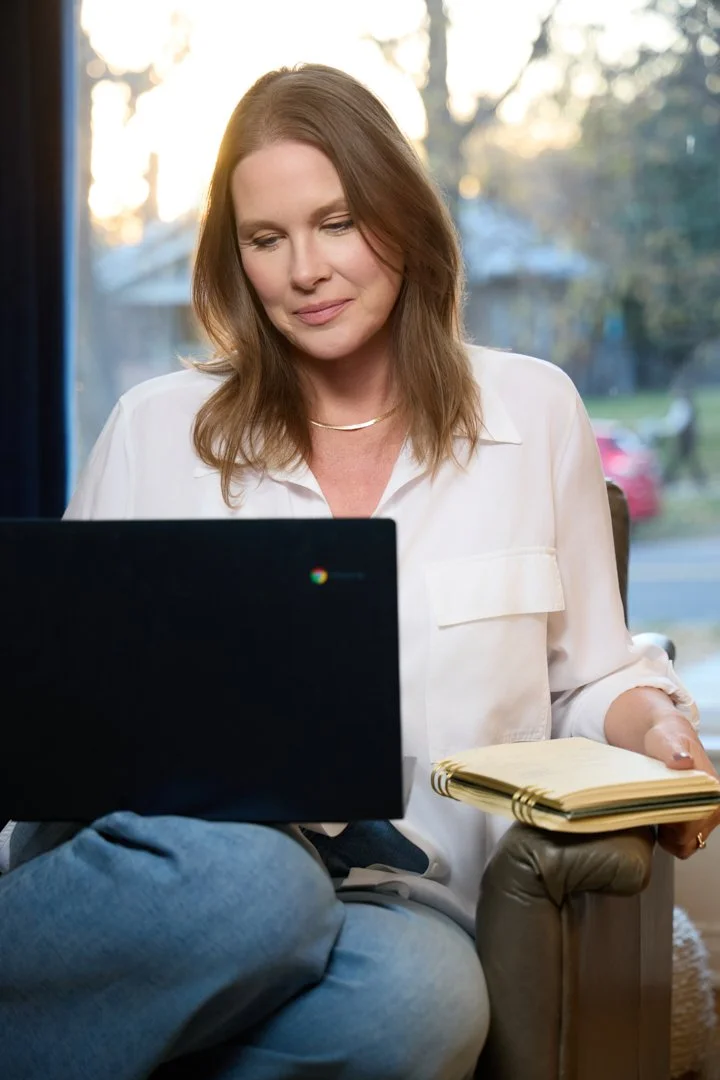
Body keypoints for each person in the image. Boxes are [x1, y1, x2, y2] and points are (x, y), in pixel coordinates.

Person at [1, 63, 718, 1080]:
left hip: (397, 896)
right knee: (260, 883)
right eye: (265, 238)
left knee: (428, 1007)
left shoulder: (536, 414)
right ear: (235, 258)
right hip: (168, 876)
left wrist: (655, 728)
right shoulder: (155, 430)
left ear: (401, 219)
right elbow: (58, 714)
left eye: (336, 223)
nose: (304, 269)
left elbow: (592, 673)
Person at [662, 384, 706, 486]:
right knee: (683, 458)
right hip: (686, 435)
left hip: (686, 436)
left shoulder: (682, 405)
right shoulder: (684, 404)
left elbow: (680, 422)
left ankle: (668, 478)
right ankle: (669, 477)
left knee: (683, 457)